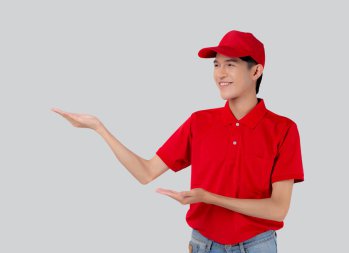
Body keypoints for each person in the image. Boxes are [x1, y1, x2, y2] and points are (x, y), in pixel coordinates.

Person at [52, 30, 304, 253]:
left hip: (257, 246)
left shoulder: (283, 129)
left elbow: (277, 209)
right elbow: (146, 172)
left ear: (256, 70)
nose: (220, 73)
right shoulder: (199, 122)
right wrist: (99, 128)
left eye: (231, 64)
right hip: (204, 246)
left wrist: (210, 197)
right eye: (216, 65)